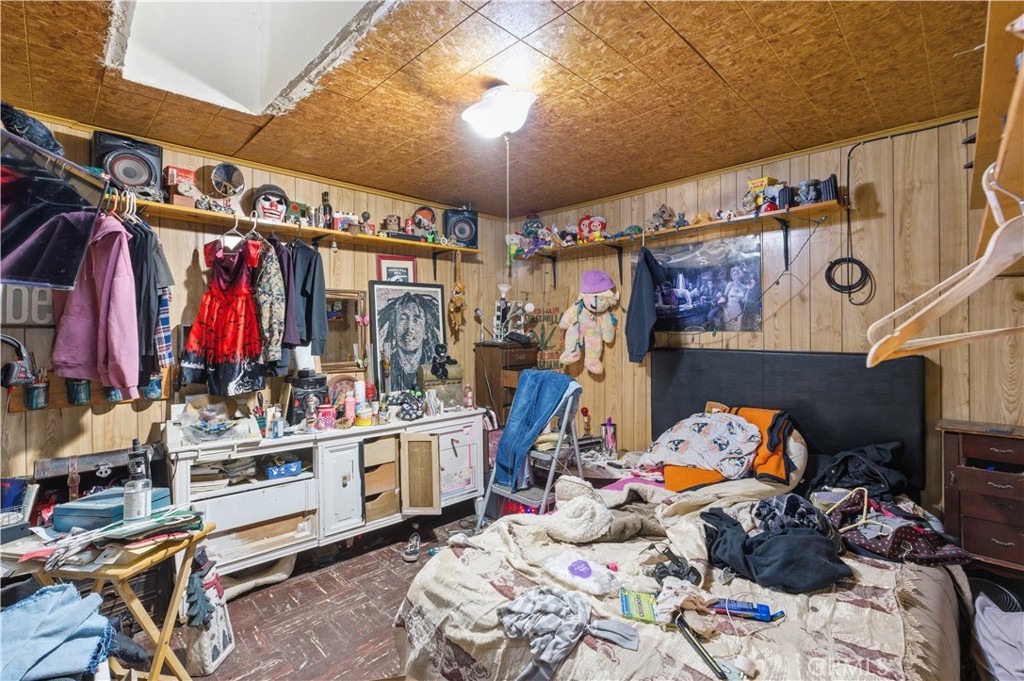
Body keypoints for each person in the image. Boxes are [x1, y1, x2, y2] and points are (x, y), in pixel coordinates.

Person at [377, 291, 442, 391]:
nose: (409, 327)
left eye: (416, 320)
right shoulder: (385, 368)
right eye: (403, 319)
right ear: (394, 329)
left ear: (426, 331)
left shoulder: (435, 367)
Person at [722, 265, 754, 331]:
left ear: (740, 275)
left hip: (737, 310)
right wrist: (721, 298)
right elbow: (724, 296)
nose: (735, 276)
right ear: (732, 276)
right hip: (728, 309)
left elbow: (743, 300)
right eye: (733, 275)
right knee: (728, 328)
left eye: (737, 274)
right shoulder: (729, 284)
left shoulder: (743, 286)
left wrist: (747, 294)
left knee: (737, 329)